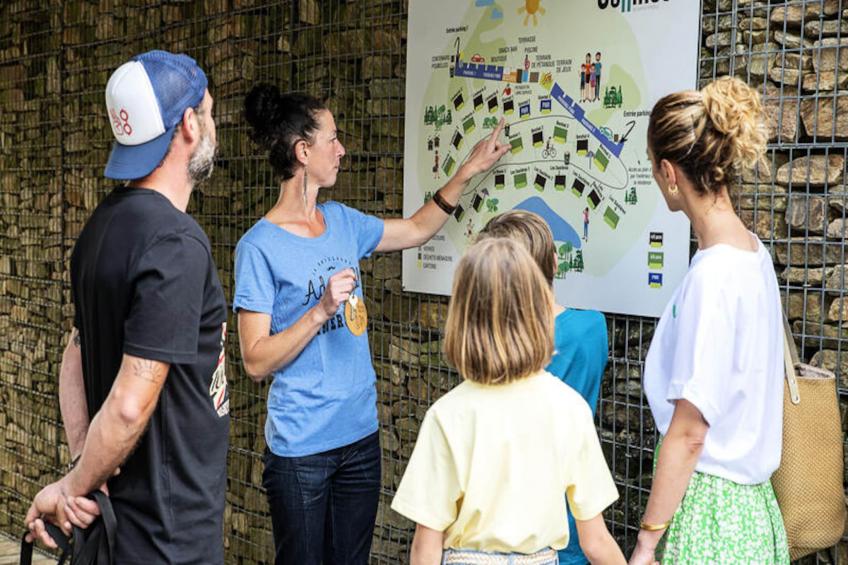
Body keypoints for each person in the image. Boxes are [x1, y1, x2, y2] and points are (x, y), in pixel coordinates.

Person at [233, 83, 509, 565]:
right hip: (301, 451)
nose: (342, 150)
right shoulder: (258, 247)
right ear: (303, 150)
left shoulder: (341, 221)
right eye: (332, 139)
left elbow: (419, 228)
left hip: (360, 439)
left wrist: (468, 170)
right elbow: (255, 361)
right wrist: (318, 312)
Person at [24, 50, 229, 564]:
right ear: (187, 125)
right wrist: (75, 483)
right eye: (207, 110)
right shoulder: (176, 244)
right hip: (166, 539)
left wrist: (83, 464)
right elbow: (130, 402)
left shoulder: (101, 229)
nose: (213, 121)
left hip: (115, 535)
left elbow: (75, 353)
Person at [629, 76, 788, 564]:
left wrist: (647, 540)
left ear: (670, 173)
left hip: (711, 514)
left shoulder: (713, 275)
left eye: (656, 174)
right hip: (754, 511)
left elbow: (691, 429)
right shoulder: (751, 254)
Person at [391, 238, 624, 565]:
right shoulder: (569, 408)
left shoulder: (447, 415)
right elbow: (596, 541)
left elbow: (426, 546)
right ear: (538, 311)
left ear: (462, 317)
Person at [478, 210, 608, 565]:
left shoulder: (490, 345)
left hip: (500, 519)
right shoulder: (591, 328)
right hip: (570, 511)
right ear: (554, 261)